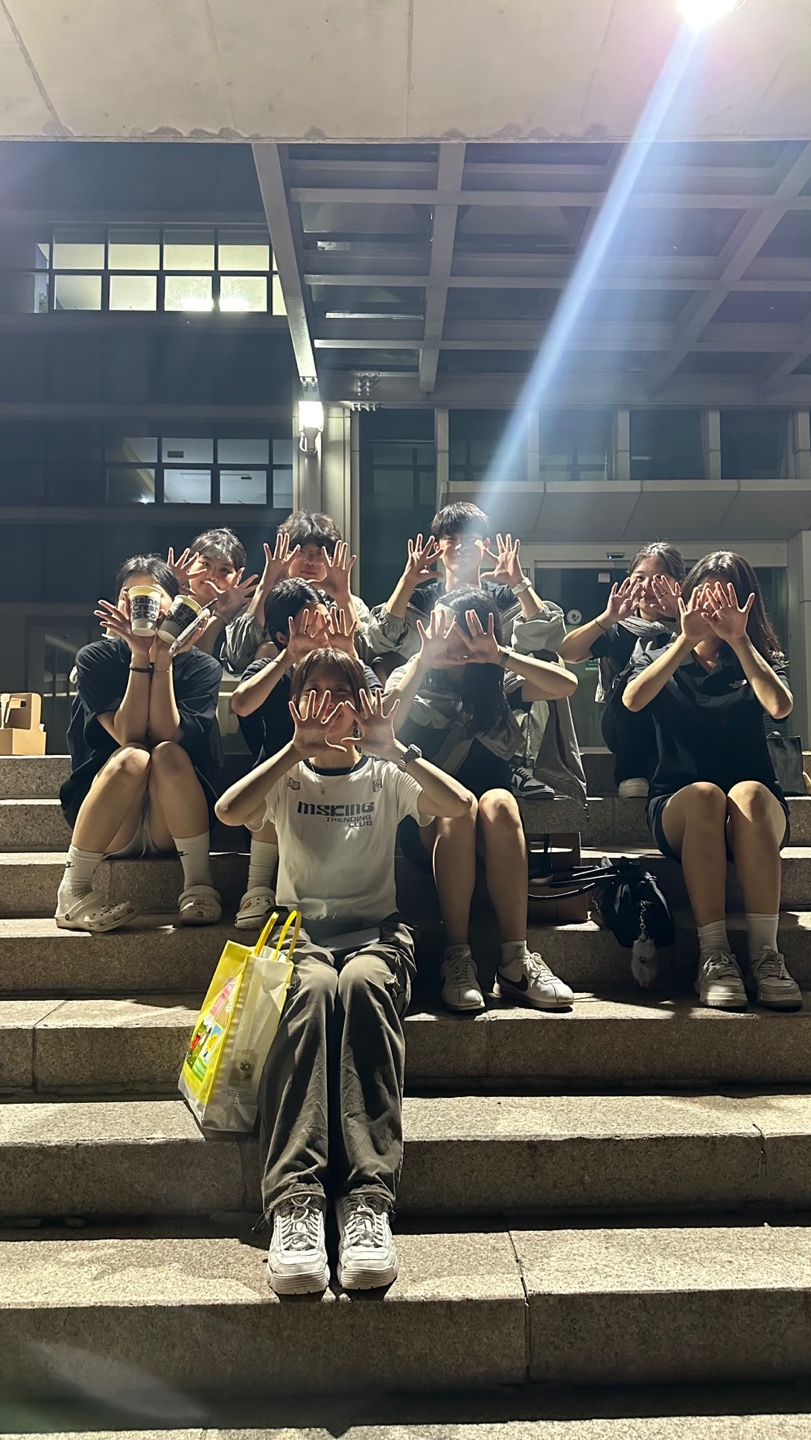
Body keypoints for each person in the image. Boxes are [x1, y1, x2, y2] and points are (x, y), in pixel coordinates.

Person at [215, 648, 472, 1295]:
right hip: (297, 936)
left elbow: (460, 805)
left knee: (358, 985)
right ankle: (296, 1201)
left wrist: (395, 749)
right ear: (297, 704)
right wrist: (291, 749)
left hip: (376, 937)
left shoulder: (384, 774)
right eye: (316, 693)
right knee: (310, 989)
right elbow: (229, 812)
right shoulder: (287, 775)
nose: (329, 706)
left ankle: (366, 1200)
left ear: (362, 705)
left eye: (343, 694)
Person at [385, 587, 579, 1013]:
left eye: (460, 628)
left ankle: (516, 960)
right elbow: (382, 724)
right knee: (460, 808)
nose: (449, 637)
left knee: (500, 802)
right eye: (441, 626)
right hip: (427, 821)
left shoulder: (496, 682)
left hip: (490, 826)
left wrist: (499, 656)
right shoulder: (412, 674)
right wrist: (423, 661)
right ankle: (458, 956)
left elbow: (566, 685)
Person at [623, 551, 801, 1012]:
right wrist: (685, 640)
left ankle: (766, 956)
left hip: (755, 810)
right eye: (704, 595)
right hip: (681, 805)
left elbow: (780, 707)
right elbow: (632, 701)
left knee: (747, 793)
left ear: (745, 603)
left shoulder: (758, 657)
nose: (713, 607)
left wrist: (739, 641)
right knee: (706, 795)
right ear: (687, 597)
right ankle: (715, 955)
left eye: (725, 597)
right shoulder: (661, 653)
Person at [368, 504, 585, 801]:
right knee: (384, 666)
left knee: (546, 662)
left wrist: (518, 588)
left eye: (471, 539)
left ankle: (519, 763)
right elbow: (380, 642)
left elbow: (547, 641)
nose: (461, 547)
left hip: (489, 682)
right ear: (438, 545)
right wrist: (407, 583)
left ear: (485, 545)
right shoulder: (420, 600)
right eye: (452, 539)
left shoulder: (505, 598)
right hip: (429, 689)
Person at [56, 555, 223, 932]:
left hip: (173, 820)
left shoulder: (202, 667)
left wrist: (162, 660)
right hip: (113, 820)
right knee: (133, 756)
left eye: (152, 594)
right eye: (129, 595)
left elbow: (165, 735)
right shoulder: (95, 657)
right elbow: (128, 736)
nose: (140, 602)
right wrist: (138, 656)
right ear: (118, 605)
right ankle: (73, 892)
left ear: (174, 604)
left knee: (166, 753)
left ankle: (198, 884)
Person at [230, 578, 381, 929]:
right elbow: (241, 704)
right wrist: (288, 658)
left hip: (341, 781)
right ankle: (257, 887)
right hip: (285, 782)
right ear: (283, 635)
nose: (323, 634)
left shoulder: (348, 669)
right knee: (282, 778)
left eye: (325, 622)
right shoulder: (272, 667)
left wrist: (351, 658)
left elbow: (379, 716)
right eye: (310, 627)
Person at [559, 543, 686, 798]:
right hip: (625, 726)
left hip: (679, 724)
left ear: (679, 584)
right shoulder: (620, 629)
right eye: (640, 578)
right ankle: (631, 773)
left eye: (659, 578)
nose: (648, 587)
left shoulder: (693, 627)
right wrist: (607, 618)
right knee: (636, 678)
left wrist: (680, 617)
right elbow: (567, 653)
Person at [222, 511, 370, 674]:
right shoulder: (268, 601)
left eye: (320, 554)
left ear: (333, 558)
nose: (310, 561)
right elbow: (237, 658)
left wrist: (343, 597)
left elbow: (366, 659)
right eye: (301, 552)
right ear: (284, 552)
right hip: (280, 687)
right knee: (268, 650)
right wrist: (266, 587)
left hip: (334, 683)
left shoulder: (350, 604)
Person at [167, 527, 259, 669]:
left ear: (238, 577)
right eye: (205, 564)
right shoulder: (166, 602)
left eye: (224, 570)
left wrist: (223, 614)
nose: (212, 576)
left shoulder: (241, 619)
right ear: (189, 565)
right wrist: (166, 586)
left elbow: (195, 665)